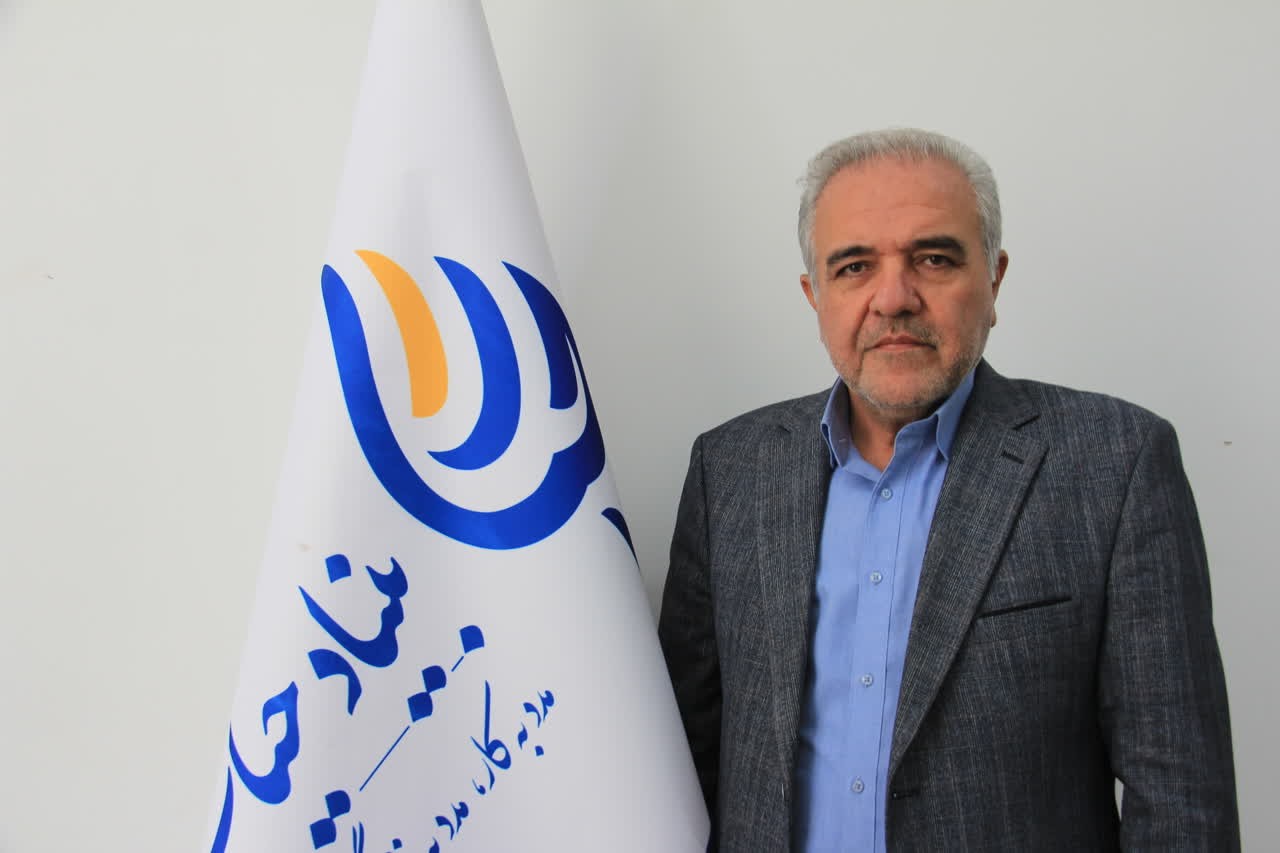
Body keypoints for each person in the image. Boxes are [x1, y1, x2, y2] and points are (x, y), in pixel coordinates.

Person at [657, 128, 1238, 852]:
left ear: (994, 281)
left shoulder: (1115, 464)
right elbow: (674, 768)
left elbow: (1182, 800)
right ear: (815, 295)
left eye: (933, 259)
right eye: (854, 266)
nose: (893, 298)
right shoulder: (730, 472)